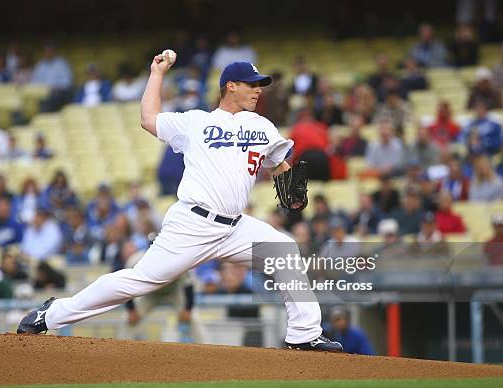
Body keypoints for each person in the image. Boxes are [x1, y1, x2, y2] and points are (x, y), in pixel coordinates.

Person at [17, 54, 342, 352]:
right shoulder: (195, 122)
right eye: (252, 84)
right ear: (231, 86)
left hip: (235, 227)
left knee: (284, 250)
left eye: (261, 85)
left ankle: (304, 333)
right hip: (193, 223)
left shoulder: (262, 126)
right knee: (138, 281)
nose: (259, 91)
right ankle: (53, 314)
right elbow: (148, 118)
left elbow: (279, 164)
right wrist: (157, 72)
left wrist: (291, 187)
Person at [30, 42, 73, 112]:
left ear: (54, 51)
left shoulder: (62, 63)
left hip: (58, 92)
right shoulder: (40, 65)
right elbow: (34, 81)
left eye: (50, 50)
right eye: (47, 51)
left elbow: (67, 82)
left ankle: (46, 117)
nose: (49, 53)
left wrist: (56, 87)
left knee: (51, 100)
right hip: (43, 92)